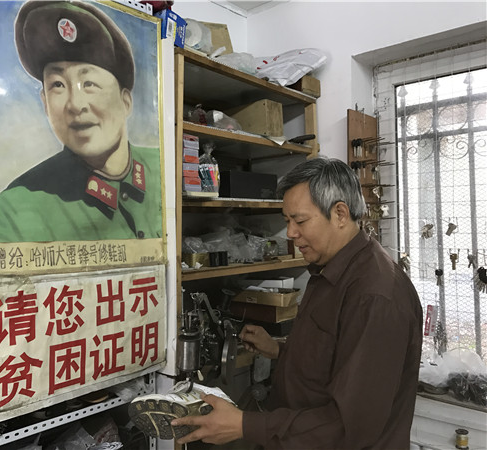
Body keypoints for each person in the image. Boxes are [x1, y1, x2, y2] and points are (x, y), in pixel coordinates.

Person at [171, 157, 423, 449]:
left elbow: (349, 426)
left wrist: (244, 425)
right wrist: (279, 349)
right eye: (287, 221)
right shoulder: (329, 269)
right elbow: (336, 356)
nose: (290, 233)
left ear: (340, 213)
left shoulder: (374, 297)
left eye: (300, 220)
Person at [0, 0, 162, 243]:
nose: (75, 104)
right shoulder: (6, 218)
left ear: (125, 102)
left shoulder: (161, 170)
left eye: (89, 84)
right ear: (45, 102)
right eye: (57, 85)